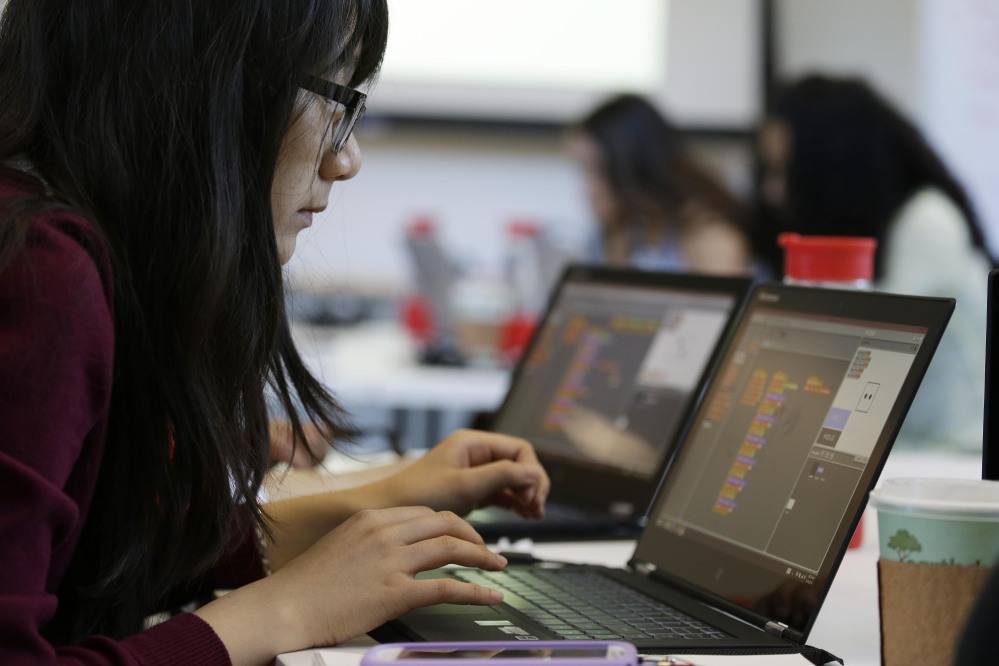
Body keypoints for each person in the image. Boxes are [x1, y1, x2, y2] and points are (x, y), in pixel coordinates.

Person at [0, 2, 550, 664]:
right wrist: (287, 609)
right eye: (336, 99)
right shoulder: (38, 269)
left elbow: (106, 553)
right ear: (207, 82)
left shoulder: (58, 240)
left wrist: (383, 499)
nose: (346, 160)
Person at [753, 74, 995, 450]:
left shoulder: (926, 223)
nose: (772, 191)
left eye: (786, 171)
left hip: (952, 453)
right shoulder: (884, 226)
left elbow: (859, 364)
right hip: (902, 447)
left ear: (834, 168)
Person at [565, 94, 753, 276]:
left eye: (597, 170)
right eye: (583, 171)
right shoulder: (619, 230)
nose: (587, 188)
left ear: (634, 169)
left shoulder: (707, 234)